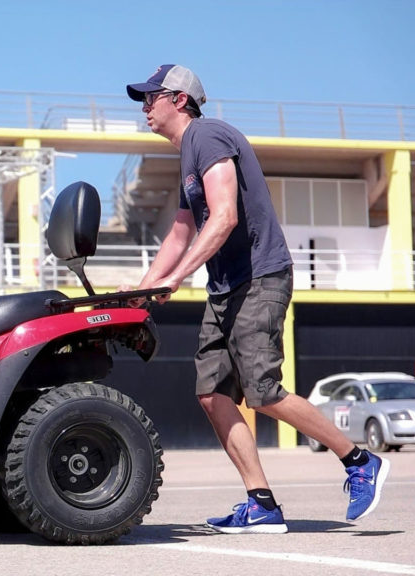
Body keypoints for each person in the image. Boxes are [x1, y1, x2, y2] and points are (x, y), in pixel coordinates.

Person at [122, 64, 390, 534]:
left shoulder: (208, 135)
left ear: (179, 100)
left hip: (260, 278)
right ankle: (261, 503)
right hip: (225, 287)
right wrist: (145, 289)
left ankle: (360, 460)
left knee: (261, 390)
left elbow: (223, 217)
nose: (145, 108)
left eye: (151, 98)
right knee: (212, 394)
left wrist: (177, 279)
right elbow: (182, 231)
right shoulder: (188, 155)